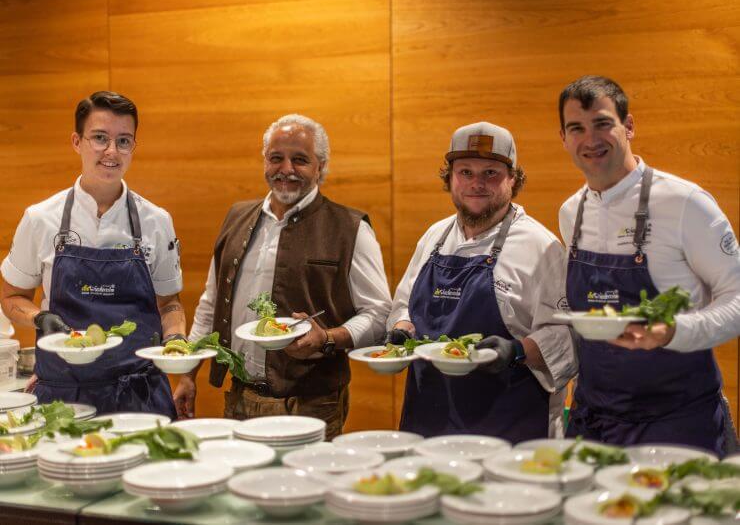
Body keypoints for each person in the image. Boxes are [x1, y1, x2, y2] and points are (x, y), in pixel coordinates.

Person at [178, 114, 392, 439]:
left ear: (320, 166)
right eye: (276, 158)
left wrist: (329, 338)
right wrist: (188, 375)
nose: (286, 169)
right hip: (239, 397)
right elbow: (210, 305)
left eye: (300, 160)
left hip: (311, 403)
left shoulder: (350, 228)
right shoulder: (236, 218)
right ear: (264, 161)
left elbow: (379, 313)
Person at [558, 75, 740, 455]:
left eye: (603, 123)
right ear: (564, 139)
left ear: (629, 126)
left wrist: (675, 331)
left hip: (676, 421)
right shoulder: (570, 213)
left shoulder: (685, 203)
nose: (590, 139)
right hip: (594, 420)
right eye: (576, 128)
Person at [386, 122, 576, 442]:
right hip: (429, 419)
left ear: (513, 179)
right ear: (449, 178)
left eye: (491, 172)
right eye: (466, 172)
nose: (477, 183)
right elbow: (404, 304)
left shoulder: (540, 246)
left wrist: (516, 349)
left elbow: (567, 333)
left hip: (508, 424)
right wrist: (403, 328)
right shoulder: (435, 237)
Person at [0, 91, 185, 417]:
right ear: (77, 141)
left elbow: (169, 304)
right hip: (63, 397)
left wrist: (177, 342)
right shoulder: (40, 218)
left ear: (133, 147)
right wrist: (39, 319)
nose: (112, 151)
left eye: (124, 141)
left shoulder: (156, 220)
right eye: (100, 138)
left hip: (139, 395)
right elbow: (12, 297)